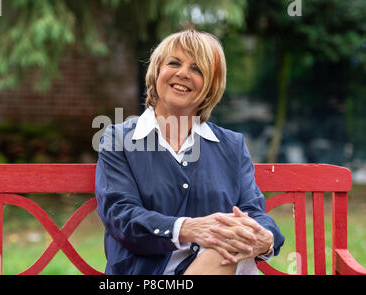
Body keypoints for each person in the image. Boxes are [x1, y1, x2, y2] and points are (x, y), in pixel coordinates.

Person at [95, 29, 285, 275]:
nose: (183, 73)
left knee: (223, 247)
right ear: (156, 73)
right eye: (174, 63)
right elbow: (121, 215)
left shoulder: (231, 146)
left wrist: (266, 239)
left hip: (221, 264)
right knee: (223, 245)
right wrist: (187, 228)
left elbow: (253, 211)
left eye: (197, 69)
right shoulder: (118, 139)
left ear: (210, 86)